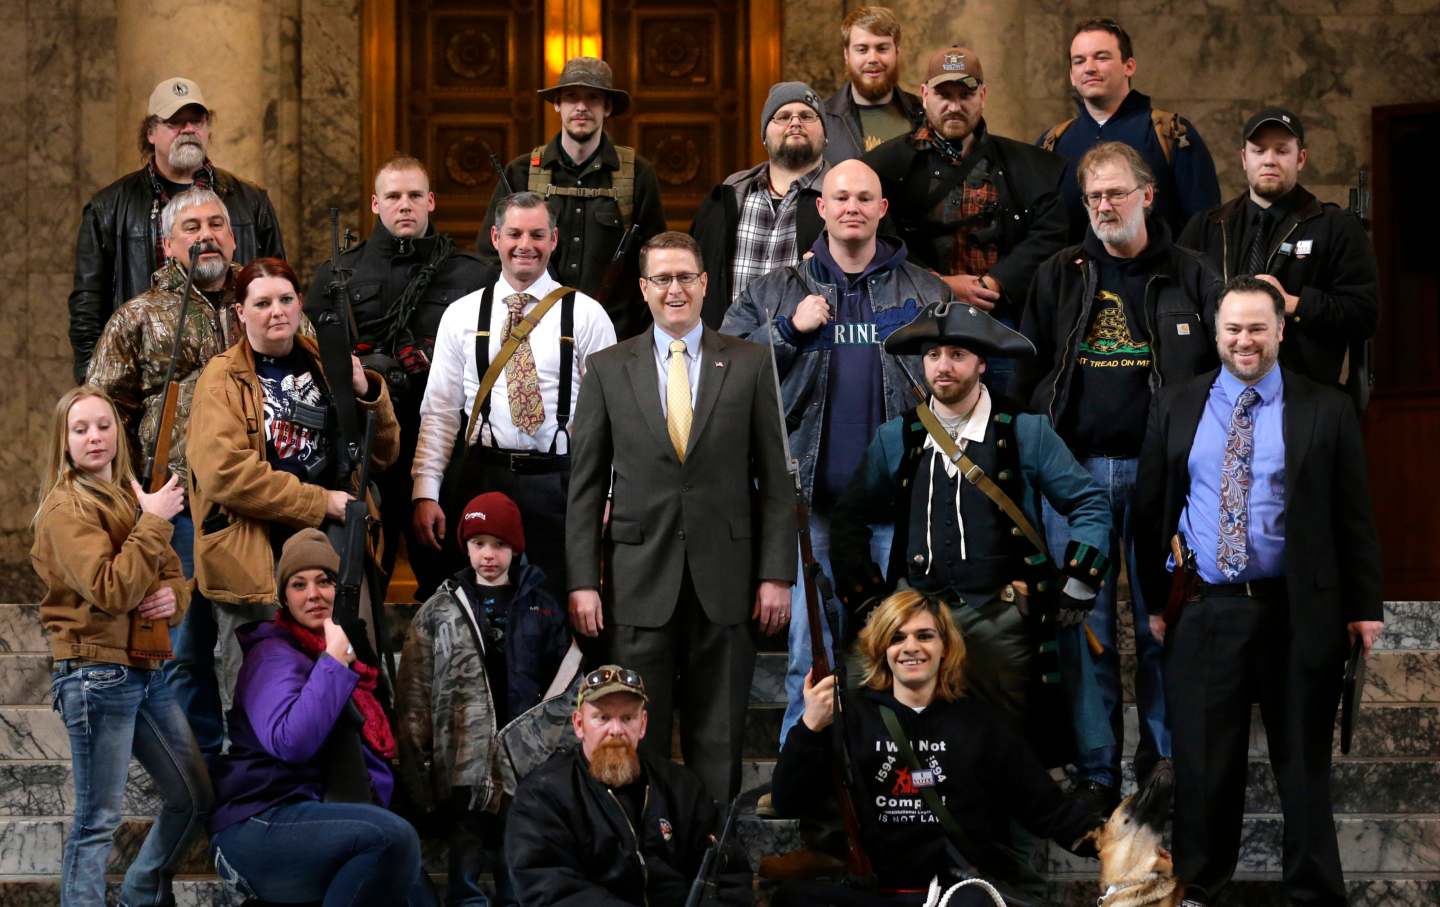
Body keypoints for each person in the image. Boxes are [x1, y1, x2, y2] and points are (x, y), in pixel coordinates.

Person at [1135, 276, 1384, 907]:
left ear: (1280, 330)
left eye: (1257, 328)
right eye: (1233, 329)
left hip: (1299, 611)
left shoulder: (1326, 407)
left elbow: (1354, 514)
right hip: (1206, 609)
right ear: (1217, 333)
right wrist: (1155, 605)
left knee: (1302, 771)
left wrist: (1363, 608)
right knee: (1205, 770)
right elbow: (1150, 513)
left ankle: (1314, 895)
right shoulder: (1176, 403)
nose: (1244, 340)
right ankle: (1198, 890)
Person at [1013, 141, 1220, 814]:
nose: (1104, 206)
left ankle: (1162, 757)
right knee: (1084, 624)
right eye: (1094, 196)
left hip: (1169, 479)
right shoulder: (1059, 274)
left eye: (1116, 193)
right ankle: (1096, 764)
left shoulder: (1191, 275)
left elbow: (1224, 374)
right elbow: (1026, 372)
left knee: (1167, 623)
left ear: (1147, 195)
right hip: (1074, 481)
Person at [721, 159, 950, 745]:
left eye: (864, 197)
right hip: (813, 510)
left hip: (900, 508)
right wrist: (789, 332)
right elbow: (723, 371)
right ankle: (805, 773)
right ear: (820, 207)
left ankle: (899, 771)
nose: (852, 206)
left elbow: (965, 376)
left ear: (881, 210)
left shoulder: (925, 290)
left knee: (907, 652)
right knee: (811, 653)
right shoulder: (775, 290)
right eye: (840, 196)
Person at [566, 231, 796, 801]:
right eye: (663, 279)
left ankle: (710, 872)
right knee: (635, 739)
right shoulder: (606, 367)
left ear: (705, 284)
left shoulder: (748, 363)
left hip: (727, 583)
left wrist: (775, 574)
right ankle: (648, 858)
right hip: (637, 584)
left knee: (718, 739)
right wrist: (582, 582)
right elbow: (586, 487)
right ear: (643, 289)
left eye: (685, 277)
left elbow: (776, 480)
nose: (675, 289)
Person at [830, 301, 1111, 726]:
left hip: (1000, 614)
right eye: (933, 355)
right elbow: (849, 518)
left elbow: (1088, 502)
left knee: (1013, 733)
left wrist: (1079, 580)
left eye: (957, 355)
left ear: (981, 363)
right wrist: (871, 599)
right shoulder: (897, 437)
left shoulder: (1024, 430)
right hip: (916, 615)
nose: (943, 366)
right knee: (872, 699)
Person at [770, 591, 1101, 905]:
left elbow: (1049, 811)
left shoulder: (983, 724)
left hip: (956, 893)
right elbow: (788, 799)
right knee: (793, 898)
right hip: (878, 892)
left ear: (946, 646)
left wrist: (1111, 841)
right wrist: (810, 726)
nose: (911, 647)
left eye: (924, 635)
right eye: (897, 638)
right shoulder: (853, 720)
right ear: (881, 649)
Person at [186, 257, 400, 726]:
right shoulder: (221, 378)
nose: (276, 311)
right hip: (255, 553)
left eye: (285, 299)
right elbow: (225, 474)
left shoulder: (326, 358)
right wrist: (317, 501)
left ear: (300, 303)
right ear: (240, 312)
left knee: (352, 680)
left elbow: (381, 456)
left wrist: (367, 393)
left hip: (335, 548)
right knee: (262, 693)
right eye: (261, 303)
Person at [29, 385, 212, 907]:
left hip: (145, 669)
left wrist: (170, 602)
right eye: (80, 429)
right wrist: (155, 519)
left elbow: (177, 577)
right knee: (97, 821)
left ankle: (138, 892)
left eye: (103, 425)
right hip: (94, 673)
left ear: (119, 433)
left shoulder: (134, 496)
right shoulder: (65, 508)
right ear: (63, 442)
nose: (95, 437)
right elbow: (111, 589)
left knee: (193, 795)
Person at [86, 187, 243, 757]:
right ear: (168, 244)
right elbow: (100, 413)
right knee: (183, 650)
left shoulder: (266, 303)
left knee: (267, 645)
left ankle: (261, 771)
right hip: (175, 504)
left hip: (257, 504)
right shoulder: (139, 316)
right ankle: (195, 775)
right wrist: (126, 502)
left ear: (233, 236)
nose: (206, 234)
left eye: (217, 224)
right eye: (192, 226)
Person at [208, 529, 430, 906]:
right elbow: (292, 742)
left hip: (309, 815)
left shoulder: (342, 658)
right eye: (298, 584)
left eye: (324, 581)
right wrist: (332, 661)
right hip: (258, 822)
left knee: (414, 891)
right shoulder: (274, 655)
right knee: (393, 839)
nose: (313, 594)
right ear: (285, 597)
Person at [413, 192, 616, 602]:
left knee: (555, 604)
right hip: (482, 476)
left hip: (559, 483)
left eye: (537, 234)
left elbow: (608, 421)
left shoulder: (587, 314)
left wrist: (607, 493)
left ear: (554, 239)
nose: (526, 244)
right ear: (495, 237)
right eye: (515, 233)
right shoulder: (462, 314)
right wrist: (425, 490)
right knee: (482, 604)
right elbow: (439, 412)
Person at [307, 155, 495, 598]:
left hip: (446, 450)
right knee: (362, 583)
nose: (404, 205)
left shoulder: (471, 275)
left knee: (451, 581)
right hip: (369, 452)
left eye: (414, 195)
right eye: (393, 196)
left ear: (431, 201)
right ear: (375, 204)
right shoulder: (338, 276)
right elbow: (314, 363)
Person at [397, 491, 576, 907]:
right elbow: (414, 695)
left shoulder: (543, 608)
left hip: (525, 764)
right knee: (467, 860)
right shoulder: (439, 610)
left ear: (516, 548)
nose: (489, 555)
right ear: (466, 547)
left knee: (518, 862)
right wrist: (419, 772)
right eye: (479, 544)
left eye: (499, 544)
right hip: (463, 762)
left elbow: (566, 690)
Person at [864, 44, 1068, 389]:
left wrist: (997, 281)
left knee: (1001, 425)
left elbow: (1051, 232)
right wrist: (937, 283)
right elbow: (873, 235)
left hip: (1000, 326)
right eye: (944, 94)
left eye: (965, 94)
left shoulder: (1026, 165)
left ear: (983, 95)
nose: (954, 106)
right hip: (915, 326)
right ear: (925, 95)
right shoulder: (884, 166)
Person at [69, 76, 284, 382]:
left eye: (196, 120)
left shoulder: (251, 202)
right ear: (151, 132)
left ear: (207, 127)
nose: (187, 130)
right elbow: (87, 307)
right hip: (147, 381)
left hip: (242, 374)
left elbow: (278, 283)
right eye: (174, 122)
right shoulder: (108, 208)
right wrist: (92, 383)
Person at [1179, 108, 1378, 409]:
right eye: (1259, 151)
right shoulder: (1207, 227)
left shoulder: (1335, 227)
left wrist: (1293, 304)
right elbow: (1175, 309)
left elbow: (1364, 315)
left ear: (1301, 158)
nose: (1269, 160)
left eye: (1282, 150)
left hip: (1304, 403)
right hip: (1218, 401)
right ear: (1244, 158)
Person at [504, 665, 749, 905]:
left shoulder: (681, 787)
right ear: (579, 725)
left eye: (627, 718)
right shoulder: (542, 795)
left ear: (642, 725)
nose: (616, 730)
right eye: (603, 717)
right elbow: (547, 888)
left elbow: (729, 875)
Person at [476, 57, 667, 338]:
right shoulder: (521, 173)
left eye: (593, 98)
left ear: (608, 107)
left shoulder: (638, 174)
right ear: (557, 104)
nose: (581, 107)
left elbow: (657, 263)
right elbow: (490, 256)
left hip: (615, 337)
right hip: (533, 332)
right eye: (571, 97)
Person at [1038, 18, 1220, 241]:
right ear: (1071, 76)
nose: (1089, 68)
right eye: (1079, 61)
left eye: (1101, 57)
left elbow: (1205, 227)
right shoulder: (1052, 142)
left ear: (1129, 66)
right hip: (1071, 274)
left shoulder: (1171, 133)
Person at [691, 81, 829, 327]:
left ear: (826, 135)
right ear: (764, 135)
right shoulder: (726, 197)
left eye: (807, 116)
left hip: (810, 354)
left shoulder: (844, 199)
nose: (795, 122)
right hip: (731, 351)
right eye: (783, 116)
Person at [821, 6, 922, 163]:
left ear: (897, 52)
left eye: (882, 48)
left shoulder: (923, 114)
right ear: (846, 55)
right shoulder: (822, 120)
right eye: (862, 50)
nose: (873, 58)